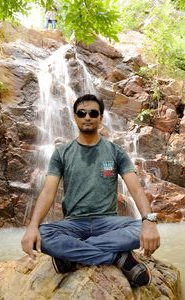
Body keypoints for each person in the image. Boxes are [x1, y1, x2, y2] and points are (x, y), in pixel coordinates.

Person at [21, 94, 160, 288]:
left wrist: (149, 221)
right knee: (43, 234)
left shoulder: (116, 152)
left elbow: (135, 188)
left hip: (109, 223)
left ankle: (70, 254)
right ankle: (118, 257)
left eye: (93, 113)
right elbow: (47, 192)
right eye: (82, 113)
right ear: (75, 117)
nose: (88, 117)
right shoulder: (62, 153)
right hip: (73, 224)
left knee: (139, 229)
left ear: (101, 118)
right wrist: (32, 226)